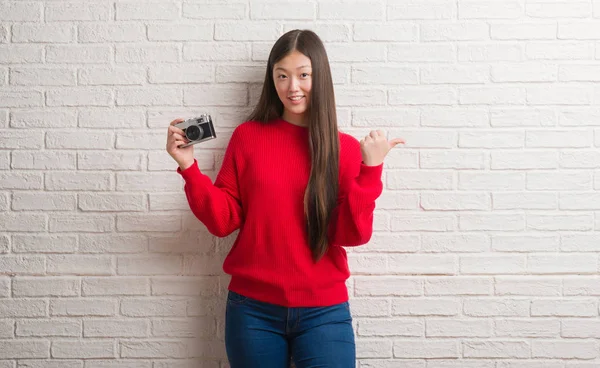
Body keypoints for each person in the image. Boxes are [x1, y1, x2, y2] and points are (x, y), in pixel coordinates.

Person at [166, 29, 404, 368]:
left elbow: (353, 235)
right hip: (252, 311)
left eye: (303, 75)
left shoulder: (346, 149)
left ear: (319, 77)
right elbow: (223, 221)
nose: (292, 87)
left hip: (324, 311)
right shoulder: (248, 137)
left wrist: (371, 168)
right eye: (282, 76)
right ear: (272, 80)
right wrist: (188, 167)